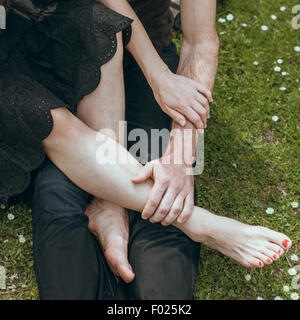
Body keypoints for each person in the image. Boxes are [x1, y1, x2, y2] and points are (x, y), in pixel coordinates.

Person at [0, 0, 292, 300]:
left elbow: (200, 41)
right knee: (60, 204)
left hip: (145, 65)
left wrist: (180, 155)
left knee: (165, 203)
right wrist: (108, 200)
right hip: (61, 60)